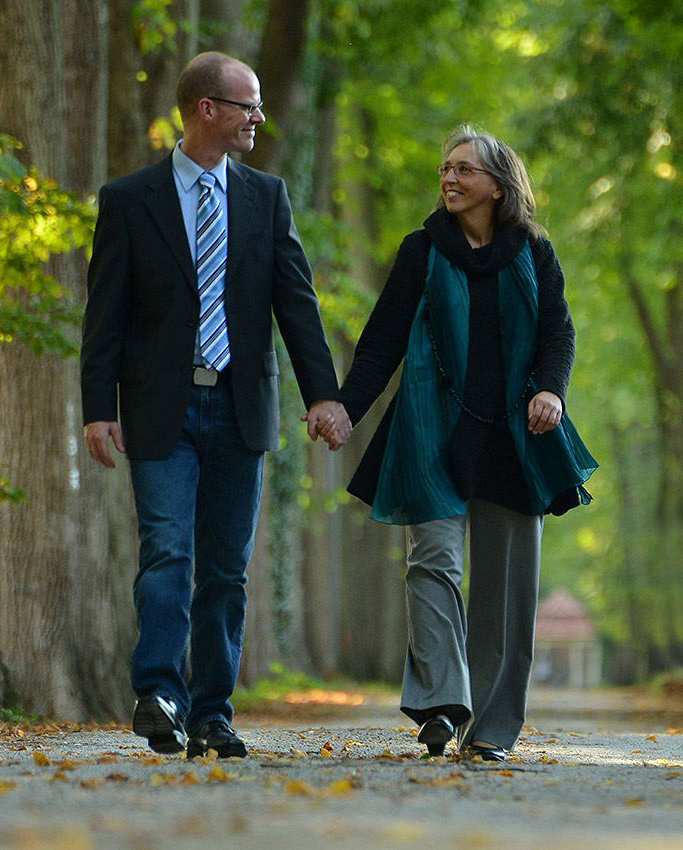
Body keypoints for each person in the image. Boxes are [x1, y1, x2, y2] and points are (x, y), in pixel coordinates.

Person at [80, 51, 350, 759]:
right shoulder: (130, 200)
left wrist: (323, 394)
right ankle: (158, 694)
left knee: (226, 568)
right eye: (247, 106)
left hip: (241, 407)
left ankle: (210, 713)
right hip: (158, 409)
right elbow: (103, 316)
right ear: (208, 109)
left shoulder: (266, 197)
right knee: (166, 550)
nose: (258, 118)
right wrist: (95, 406)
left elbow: (296, 304)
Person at [324, 125, 596, 761]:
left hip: (514, 433)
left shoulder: (533, 251)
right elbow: (382, 340)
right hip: (431, 426)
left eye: (464, 169)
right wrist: (345, 408)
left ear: (497, 186)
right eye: (445, 168)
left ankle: (492, 731)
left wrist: (550, 391)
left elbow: (559, 332)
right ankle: (446, 703)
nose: (449, 178)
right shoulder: (421, 251)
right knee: (433, 563)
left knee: (505, 591)